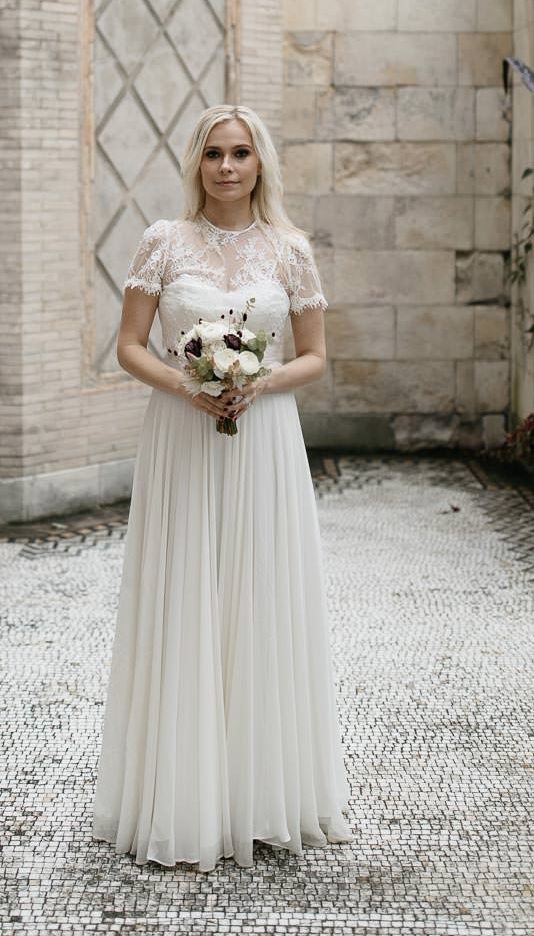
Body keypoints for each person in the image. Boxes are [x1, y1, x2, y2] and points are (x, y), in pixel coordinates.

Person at [92, 103, 353, 871]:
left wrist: (257, 381)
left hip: (263, 440)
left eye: (241, 153)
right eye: (214, 154)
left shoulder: (291, 250)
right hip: (183, 436)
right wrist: (188, 384)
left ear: (260, 162)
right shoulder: (162, 243)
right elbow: (129, 346)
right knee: (186, 597)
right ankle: (180, 796)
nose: (228, 166)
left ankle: (262, 794)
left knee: (258, 599)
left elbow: (314, 356)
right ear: (196, 163)